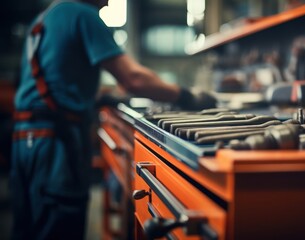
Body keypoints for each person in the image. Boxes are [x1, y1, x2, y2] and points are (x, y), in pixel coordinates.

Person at [10, 0, 216, 239]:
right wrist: (186, 96)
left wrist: (95, 99)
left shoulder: (47, 16)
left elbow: (52, 80)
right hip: (54, 144)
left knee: (27, 229)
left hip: (25, 139)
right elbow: (133, 78)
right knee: (57, 229)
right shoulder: (83, 14)